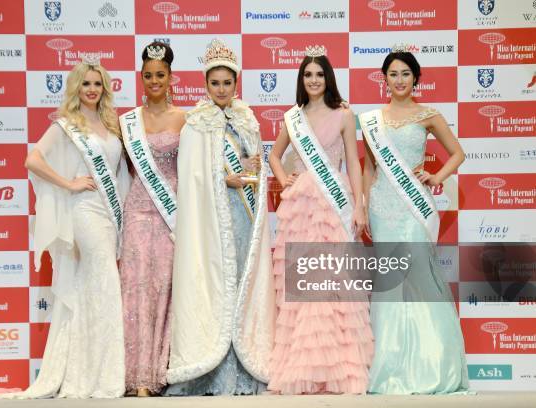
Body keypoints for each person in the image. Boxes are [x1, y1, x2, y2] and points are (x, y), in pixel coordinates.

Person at [0, 59, 129, 398]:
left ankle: (87, 368)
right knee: (105, 281)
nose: (91, 90)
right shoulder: (67, 125)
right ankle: (102, 376)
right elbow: (33, 159)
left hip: (109, 213)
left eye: (97, 84)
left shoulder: (112, 124)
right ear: (76, 88)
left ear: (104, 88)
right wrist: (68, 184)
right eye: (85, 84)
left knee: (91, 288)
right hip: (84, 211)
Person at [164, 39, 275, 396]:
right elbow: (192, 175)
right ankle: (213, 370)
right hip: (213, 218)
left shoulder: (247, 119)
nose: (222, 89)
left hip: (243, 213)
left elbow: (255, 163)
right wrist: (220, 178)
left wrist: (255, 168)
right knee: (217, 285)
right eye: (215, 83)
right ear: (206, 84)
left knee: (242, 281)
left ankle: (243, 370)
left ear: (236, 83)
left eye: (228, 83)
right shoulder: (197, 123)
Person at [359, 49, 468, 394]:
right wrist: (363, 203)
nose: (400, 80)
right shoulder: (372, 119)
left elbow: (458, 153)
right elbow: (368, 167)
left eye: (406, 73)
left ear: (416, 78)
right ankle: (390, 365)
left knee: (420, 274)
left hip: (412, 206)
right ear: (384, 78)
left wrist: (437, 177)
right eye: (393, 73)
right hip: (381, 205)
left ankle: (436, 362)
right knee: (390, 282)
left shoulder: (428, 115)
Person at [267, 46, 373, 394]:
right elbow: (273, 155)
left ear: (328, 77)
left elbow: (355, 164)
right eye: (307, 74)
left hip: (335, 203)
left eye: (319, 74)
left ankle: (337, 369)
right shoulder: (291, 117)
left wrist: (358, 205)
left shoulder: (344, 115)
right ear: (302, 79)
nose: (314, 80)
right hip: (301, 207)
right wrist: (284, 179)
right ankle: (304, 367)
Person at [118, 42, 185, 397]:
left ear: (171, 78)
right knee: (137, 289)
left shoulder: (184, 118)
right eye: (148, 75)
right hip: (138, 211)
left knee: (166, 289)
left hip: (171, 213)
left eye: (160, 75)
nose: (154, 80)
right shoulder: (127, 121)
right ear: (141, 79)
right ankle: (137, 376)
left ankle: (162, 371)